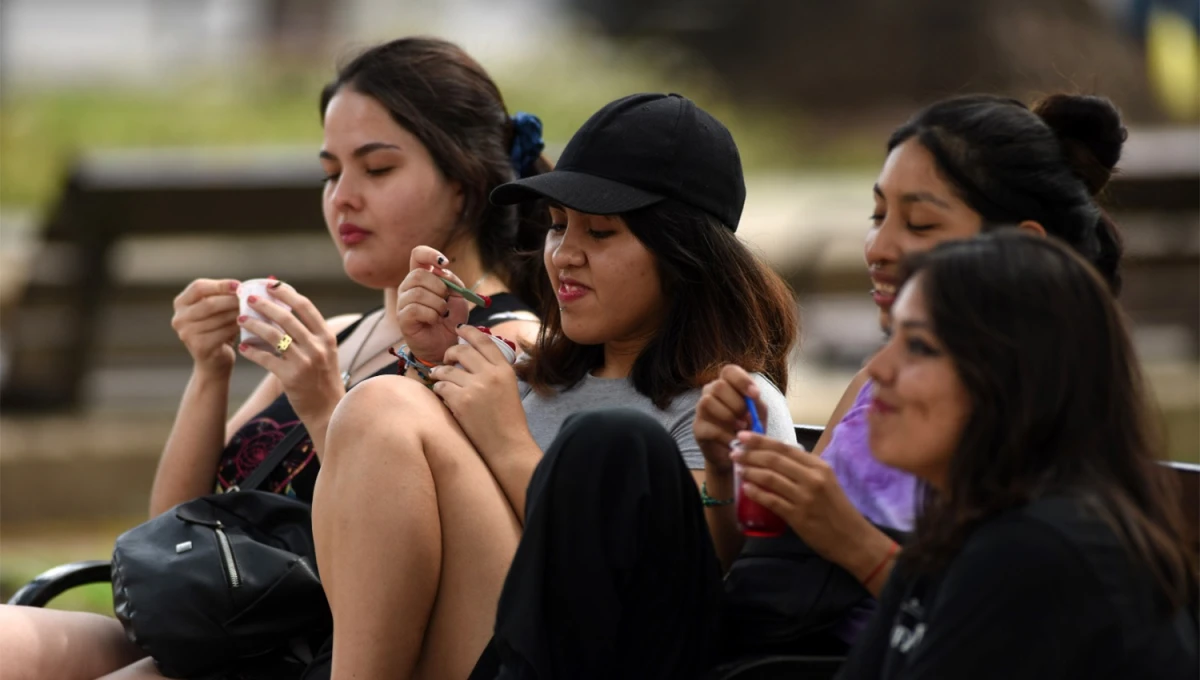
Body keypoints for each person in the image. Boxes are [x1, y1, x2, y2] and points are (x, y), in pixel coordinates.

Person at [0, 36, 547, 680]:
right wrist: (210, 372)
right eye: (330, 172)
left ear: (463, 184)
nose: (342, 197)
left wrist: (323, 407)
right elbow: (175, 539)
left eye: (376, 169)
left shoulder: (506, 345)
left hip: (320, 648)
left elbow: (436, 576)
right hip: (228, 628)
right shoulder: (344, 334)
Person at [310, 92, 799, 679]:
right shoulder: (530, 377)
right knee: (384, 403)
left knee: (391, 406)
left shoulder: (725, 407)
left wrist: (506, 442)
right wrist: (436, 366)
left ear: (684, 253)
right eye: (558, 227)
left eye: (600, 233)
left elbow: (667, 592)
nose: (565, 255)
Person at [699, 92, 1133, 648]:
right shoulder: (877, 378)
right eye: (878, 215)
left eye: (920, 224)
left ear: (1024, 249)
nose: (877, 248)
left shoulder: (1051, 419)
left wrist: (854, 542)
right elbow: (763, 576)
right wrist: (726, 470)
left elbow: (1003, 633)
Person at [836, 231, 1197, 678]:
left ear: (1014, 381)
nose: (879, 369)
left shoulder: (1035, 550)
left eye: (920, 347)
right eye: (891, 338)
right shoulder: (959, 525)